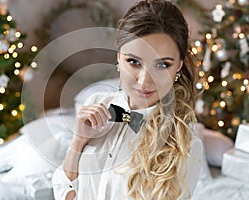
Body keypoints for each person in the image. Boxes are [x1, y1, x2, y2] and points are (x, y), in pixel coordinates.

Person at [52, 0, 203, 199]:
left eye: (162, 65)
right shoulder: (97, 103)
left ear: (179, 66)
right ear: (118, 58)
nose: (144, 81)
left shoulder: (186, 145)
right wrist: (78, 141)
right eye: (134, 62)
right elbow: (63, 189)